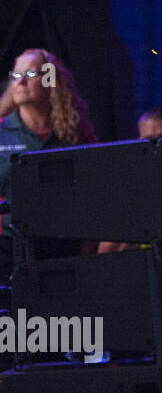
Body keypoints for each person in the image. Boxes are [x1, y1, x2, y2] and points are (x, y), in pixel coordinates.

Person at [0, 48, 98, 280]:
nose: (21, 81)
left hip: (61, 247)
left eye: (31, 75)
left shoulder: (74, 135)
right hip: (7, 249)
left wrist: (87, 256)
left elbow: (90, 200)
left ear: (50, 81)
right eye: (15, 76)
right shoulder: (2, 132)